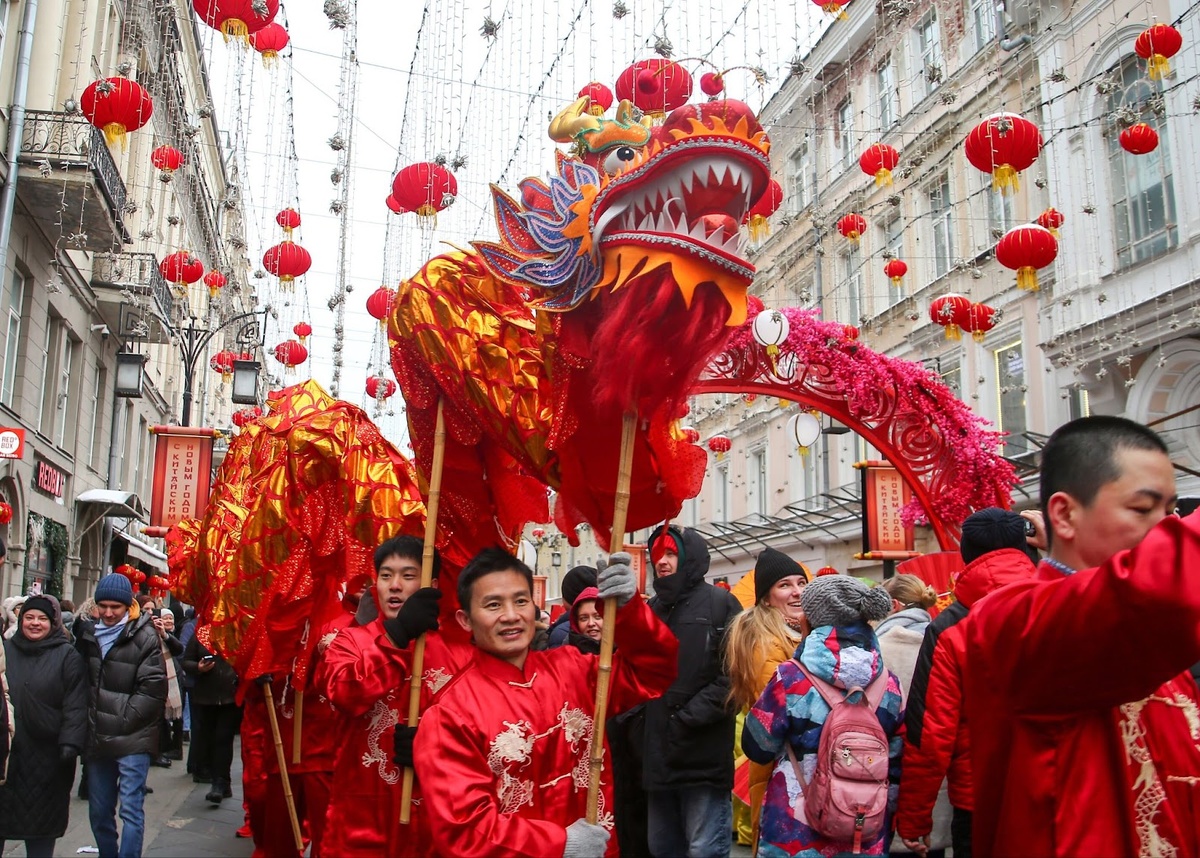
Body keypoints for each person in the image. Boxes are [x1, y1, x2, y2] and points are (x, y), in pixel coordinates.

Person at [961, 416, 1200, 856]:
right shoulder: (1007, 620)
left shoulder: (1157, 640)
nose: (1166, 527)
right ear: (1065, 514)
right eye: (1143, 509)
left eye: (1171, 511)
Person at [414, 547, 678, 857]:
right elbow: (464, 828)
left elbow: (654, 672)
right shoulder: (449, 714)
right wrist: (558, 845)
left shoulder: (575, 669)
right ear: (466, 619)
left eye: (521, 601)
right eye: (493, 604)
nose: (511, 615)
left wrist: (629, 611)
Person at [315, 535, 473, 857]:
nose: (395, 585)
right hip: (359, 823)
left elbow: (479, 729)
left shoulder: (461, 653)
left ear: (430, 583)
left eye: (408, 575)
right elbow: (344, 692)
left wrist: (434, 747)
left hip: (433, 826)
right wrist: (397, 636)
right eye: (386, 576)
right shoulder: (349, 642)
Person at [896, 507, 1039, 858]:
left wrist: (914, 820)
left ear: (966, 554)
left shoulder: (949, 627)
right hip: (1057, 788)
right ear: (1025, 546)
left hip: (981, 799)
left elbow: (929, 733)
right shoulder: (1060, 600)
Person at [743, 575, 904, 857]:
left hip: (794, 827)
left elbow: (758, 747)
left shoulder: (791, 678)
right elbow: (898, 758)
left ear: (812, 617)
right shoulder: (889, 685)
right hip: (862, 827)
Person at [641, 524, 742, 858]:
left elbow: (733, 677)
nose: (662, 562)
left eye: (671, 553)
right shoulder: (651, 609)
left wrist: (685, 718)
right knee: (662, 847)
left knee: (704, 849)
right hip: (658, 756)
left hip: (702, 756)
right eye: (657, 554)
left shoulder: (721, 604)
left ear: (688, 557)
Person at [75, 573, 167, 858]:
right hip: (97, 737)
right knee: (99, 810)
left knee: (130, 808)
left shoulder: (145, 636)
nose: (109, 613)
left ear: (128, 606)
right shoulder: (87, 635)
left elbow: (152, 691)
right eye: (103, 606)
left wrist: (121, 720)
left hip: (132, 737)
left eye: (115, 607)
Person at [724, 547, 808, 848]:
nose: (796, 592)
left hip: (793, 769)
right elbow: (780, 713)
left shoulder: (795, 634)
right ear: (766, 597)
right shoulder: (768, 643)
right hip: (783, 772)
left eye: (801, 582)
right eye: (785, 585)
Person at [0, 595, 88, 857]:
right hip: (7, 752)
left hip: (48, 756)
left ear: (53, 622)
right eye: (29, 617)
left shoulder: (67, 655)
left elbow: (76, 703)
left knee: (41, 830)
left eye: (42, 619)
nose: (35, 623)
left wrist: (70, 743)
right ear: (20, 619)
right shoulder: (6, 650)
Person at [180, 634, 239, 805]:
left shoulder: (235, 631)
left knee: (223, 739)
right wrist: (198, 667)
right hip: (205, 698)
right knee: (209, 739)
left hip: (230, 697)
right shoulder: (201, 634)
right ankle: (215, 779)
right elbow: (187, 661)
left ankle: (220, 782)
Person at [547, 566, 599, 648]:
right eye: (583, 618)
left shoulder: (619, 644)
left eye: (597, 616)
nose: (591, 623)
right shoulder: (567, 641)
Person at [567, 586, 603, 654]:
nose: (591, 623)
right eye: (584, 618)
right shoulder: (568, 655)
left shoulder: (623, 653)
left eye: (598, 617)